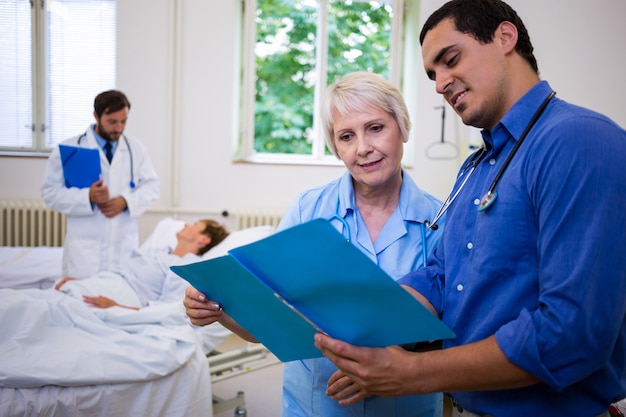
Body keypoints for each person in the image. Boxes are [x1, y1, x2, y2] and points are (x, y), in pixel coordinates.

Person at [313, 1, 626, 416]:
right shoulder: (477, 167)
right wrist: (374, 330)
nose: (440, 83)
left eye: (450, 59)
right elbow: (443, 278)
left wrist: (411, 372)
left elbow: (570, 333)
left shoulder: (576, 141)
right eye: (432, 74)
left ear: (505, 37)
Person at [184, 71, 445, 417]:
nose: (363, 148)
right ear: (335, 147)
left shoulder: (441, 220)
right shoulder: (307, 210)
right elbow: (269, 325)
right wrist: (216, 311)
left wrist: (388, 369)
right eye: (346, 136)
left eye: (376, 128)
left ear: (403, 127)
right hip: (316, 405)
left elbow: (455, 334)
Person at [41, 90, 160, 279]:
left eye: (123, 121)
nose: (118, 128)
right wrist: (87, 197)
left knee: (118, 300)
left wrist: (125, 201)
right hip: (85, 252)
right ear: (96, 116)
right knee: (80, 302)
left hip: (123, 248)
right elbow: (50, 193)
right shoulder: (70, 149)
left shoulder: (135, 148)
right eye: (112, 122)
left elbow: (152, 187)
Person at [54, 219, 229, 310]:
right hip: (106, 282)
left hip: (122, 296)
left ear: (203, 239)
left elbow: (168, 307)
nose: (186, 224)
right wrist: (85, 280)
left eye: (196, 224)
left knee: (53, 309)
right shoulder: (160, 251)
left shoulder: (187, 266)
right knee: (51, 299)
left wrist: (118, 307)